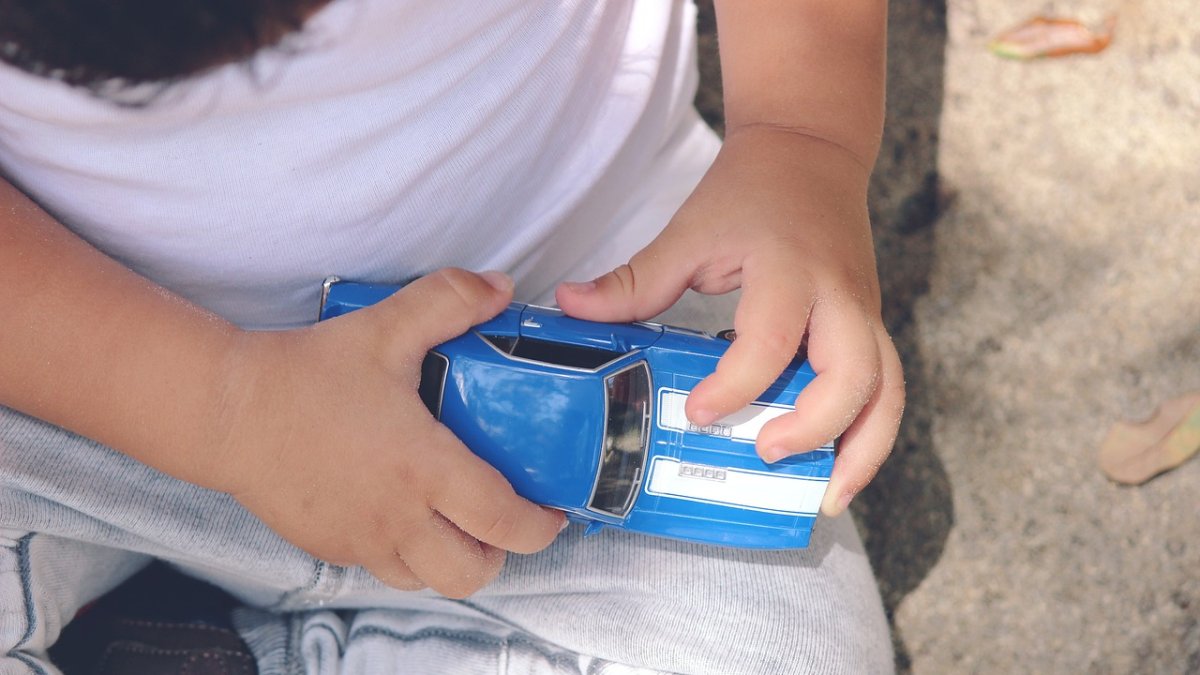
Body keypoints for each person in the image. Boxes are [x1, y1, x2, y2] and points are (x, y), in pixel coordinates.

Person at [0, 0, 904, 672]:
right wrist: (225, 409)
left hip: (604, 326)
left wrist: (800, 138)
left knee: (785, 650)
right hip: (95, 379)